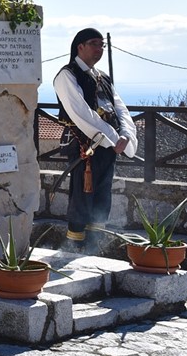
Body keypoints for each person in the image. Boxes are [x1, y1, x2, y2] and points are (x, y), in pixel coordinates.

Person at [53, 28, 137, 243]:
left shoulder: (103, 77)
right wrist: (113, 137)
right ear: (80, 46)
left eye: (102, 45)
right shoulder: (67, 75)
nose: (99, 49)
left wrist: (125, 134)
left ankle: (94, 246)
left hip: (109, 146)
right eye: (94, 43)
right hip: (84, 145)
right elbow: (81, 112)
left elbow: (120, 109)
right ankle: (74, 247)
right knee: (82, 196)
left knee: (102, 196)